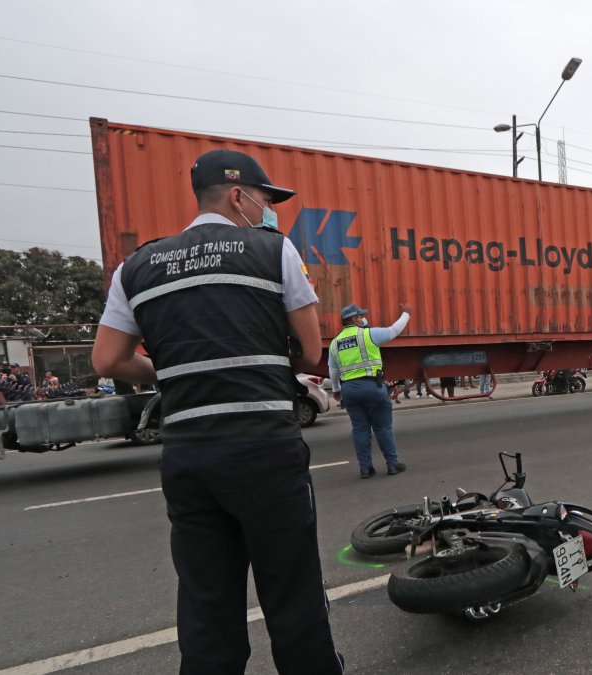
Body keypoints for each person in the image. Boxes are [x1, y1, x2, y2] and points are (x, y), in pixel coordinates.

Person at [91, 148, 343, 674]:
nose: (269, 209)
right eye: (266, 199)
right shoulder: (274, 250)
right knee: (292, 594)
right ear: (238, 196)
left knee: (207, 606)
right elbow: (313, 350)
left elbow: (108, 360)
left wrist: (171, 371)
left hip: (187, 456)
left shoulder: (134, 268)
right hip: (263, 449)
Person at [330, 302, 412, 478]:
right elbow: (394, 330)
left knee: (360, 429)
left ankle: (365, 469)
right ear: (354, 319)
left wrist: (336, 390)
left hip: (349, 390)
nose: (363, 318)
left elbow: (333, 370)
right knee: (383, 428)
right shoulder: (368, 334)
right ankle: (392, 464)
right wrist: (406, 314)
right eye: (360, 316)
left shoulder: (334, 343)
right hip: (372, 387)